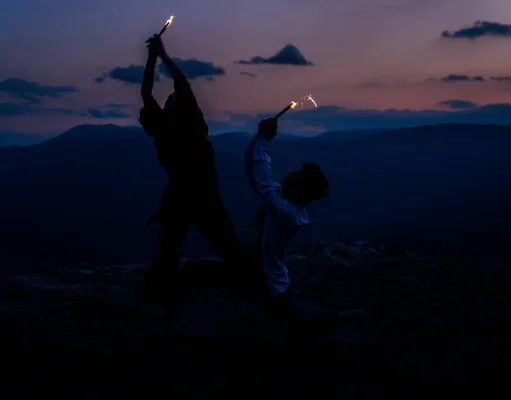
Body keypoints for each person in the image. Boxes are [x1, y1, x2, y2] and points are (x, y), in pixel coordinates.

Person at [137, 34, 242, 305]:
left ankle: (159, 293)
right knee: (182, 247)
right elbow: (159, 89)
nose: (171, 99)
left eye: (171, 100)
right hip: (195, 197)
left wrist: (156, 55)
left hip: (192, 197)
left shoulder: (176, 129)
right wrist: (156, 56)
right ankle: (163, 293)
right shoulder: (175, 128)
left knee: (177, 249)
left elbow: (164, 87)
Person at [244, 118, 366, 341]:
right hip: (263, 278)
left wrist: (265, 138)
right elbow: (254, 172)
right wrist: (258, 138)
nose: (290, 173)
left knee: (297, 330)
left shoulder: (286, 213)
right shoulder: (283, 199)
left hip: (272, 285)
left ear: (299, 189)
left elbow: (262, 181)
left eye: (296, 175)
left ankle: (345, 318)